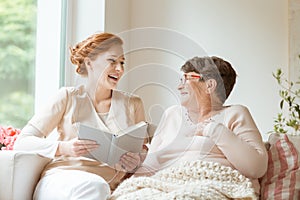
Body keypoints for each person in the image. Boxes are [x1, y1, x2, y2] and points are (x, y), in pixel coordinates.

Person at [111, 56, 268, 199]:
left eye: (186, 79)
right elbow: (153, 163)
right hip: (163, 183)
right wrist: (136, 165)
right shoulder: (172, 115)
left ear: (209, 85)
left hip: (213, 183)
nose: (179, 86)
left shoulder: (236, 113)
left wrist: (214, 130)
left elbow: (256, 168)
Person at [14, 32, 148, 200]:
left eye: (122, 62)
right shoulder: (67, 97)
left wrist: (136, 161)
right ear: (89, 62)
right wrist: (64, 148)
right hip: (61, 179)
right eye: (112, 61)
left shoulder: (133, 104)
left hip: (107, 186)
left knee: (98, 188)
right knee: (95, 187)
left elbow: (143, 153)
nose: (119, 69)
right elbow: (23, 142)